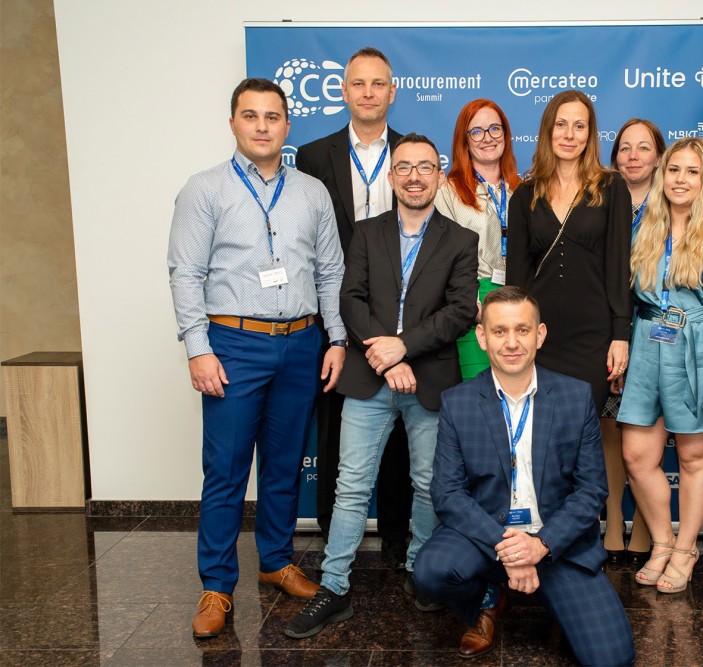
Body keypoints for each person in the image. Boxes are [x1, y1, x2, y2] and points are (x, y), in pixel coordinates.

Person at [167, 78, 346, 638]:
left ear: (287, 126)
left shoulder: (312, 192)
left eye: (273, 117)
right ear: (233, 124)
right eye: (251, 116)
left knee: (284, 461)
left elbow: (330, 271)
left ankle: (275, 562)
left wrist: (336, 338)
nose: (262, 126)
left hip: (300, 343)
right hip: (234, 342)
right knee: (225, 470)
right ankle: (217, 586)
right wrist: (198, 349)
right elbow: (186, 274)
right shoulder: (204, 190)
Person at [284, 134, 480, 639]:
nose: (414, 176)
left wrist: (402, 347)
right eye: (404, 168)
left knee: (425, 484)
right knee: (350, 487)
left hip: (429, 381)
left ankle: (419, 571)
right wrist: (384, 353)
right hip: (370, 377)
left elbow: (459, 312)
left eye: (424, 168)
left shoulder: (461, 241)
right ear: (391, 178)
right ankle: (334, 587)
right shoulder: (367, 233)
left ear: (438, 176)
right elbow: (350, 298)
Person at [413, 286, 636, 666]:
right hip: (488, 537)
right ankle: (486, 600)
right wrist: (508, 548)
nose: (511, 343)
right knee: (431, 571)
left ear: (540, 334)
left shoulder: (575, 396)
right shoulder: (459, 402)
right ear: (482, 336)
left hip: (557, 541)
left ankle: (562, 605)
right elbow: (447, 493)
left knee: (612, 659)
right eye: (499, 331)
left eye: (522, 330)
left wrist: (540, 545)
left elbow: (591, 490)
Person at [620, 137, 703, 595]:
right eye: (674, 170)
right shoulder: (644, 226)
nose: (681, 180)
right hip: (646, 343)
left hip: (701, 347)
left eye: (692, 172)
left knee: (695, 457)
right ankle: (662, 542)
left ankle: (685, 548)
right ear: (662, 175)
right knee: (638, 457)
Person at [296, 46, 411, 569]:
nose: (368, 93)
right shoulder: (314, 156)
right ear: (344, 91)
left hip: (402, 311)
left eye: (378, 84)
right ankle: (331, 541)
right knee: (337, 424)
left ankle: (397, 539)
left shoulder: (413, 152)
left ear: (392, 91)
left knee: (402, 433)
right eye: (358, 84)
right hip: (333, 312)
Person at [507, 90, 631, 412]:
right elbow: (516, 279)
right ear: (548, 129)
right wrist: (517, 334)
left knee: (582, 432)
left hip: (594, 337)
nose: (569, 135)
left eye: (580, 126)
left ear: (590, 134)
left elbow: (619, 268)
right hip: (539, 336)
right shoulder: (524, 195)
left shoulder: (612, 187)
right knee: (540, 436)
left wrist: (621, 335)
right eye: (561, 124)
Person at [601, 118, 667, 565]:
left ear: (659, 156)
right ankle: (610, 520)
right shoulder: (600, 198)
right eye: (625, 148)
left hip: (658, 333)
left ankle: (645, 525)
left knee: (646, 436)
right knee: (609, 428)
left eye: (644, 148)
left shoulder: (674, 201)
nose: (633, 156)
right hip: (608, 326)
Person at [435, 99, 521, 380]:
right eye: (477, 131)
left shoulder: (524, 190)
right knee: (480, 395)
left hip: (519, 301)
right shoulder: (447, 193)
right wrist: (470, 306)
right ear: (464, 139)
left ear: (506, 135)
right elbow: (440, 260)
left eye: (495, 129)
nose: (487, 138)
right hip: (471, 303)